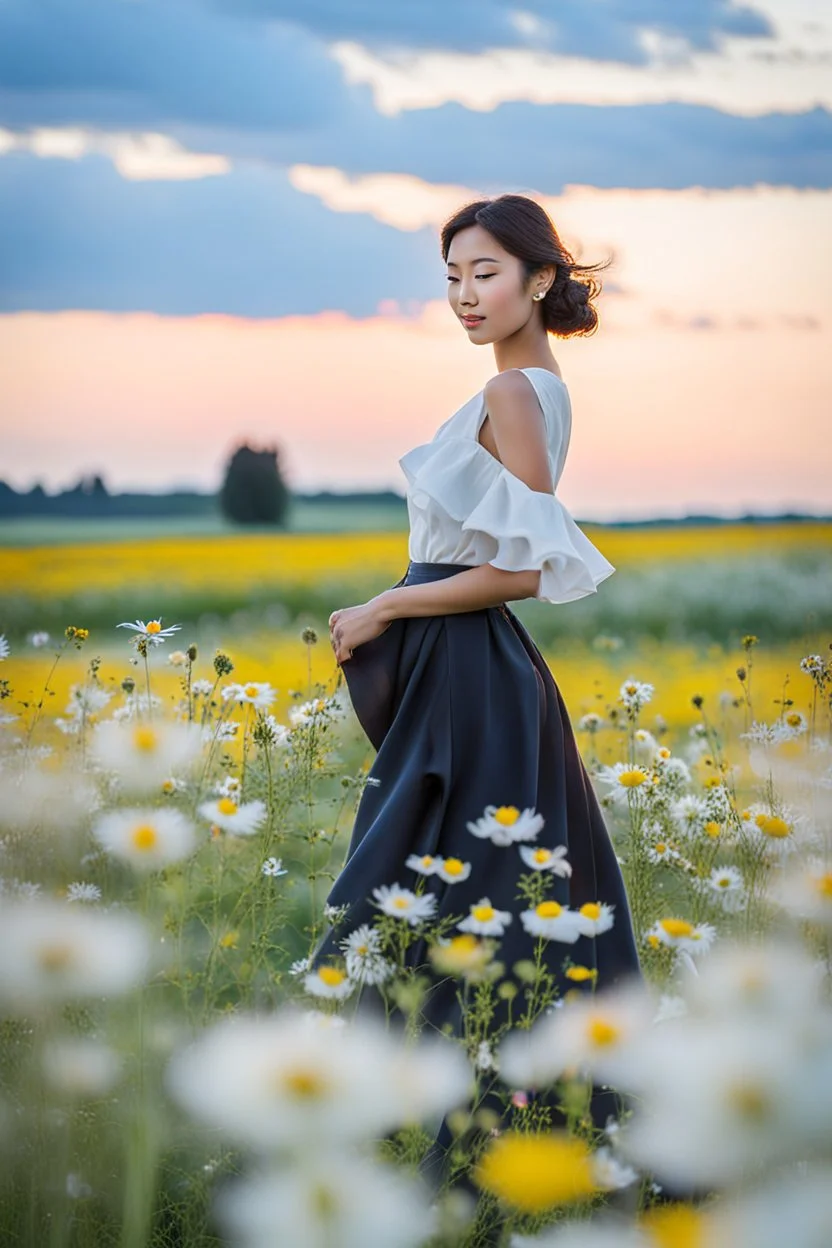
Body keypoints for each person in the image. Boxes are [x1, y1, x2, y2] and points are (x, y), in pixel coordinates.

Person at [314, 193, 642, 1186]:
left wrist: (384, 607)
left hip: (469, 667)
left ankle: (472, 1158)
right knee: (474, 895)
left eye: (484, 272)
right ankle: (495, 1140)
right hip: (470, 669)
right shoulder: (532, 386)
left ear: (540, 279)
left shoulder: (514, 396)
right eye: (451, 276)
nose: (463, 294)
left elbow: (528, 567)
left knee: (464, 900)